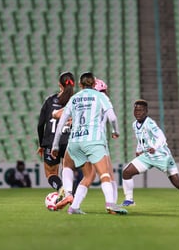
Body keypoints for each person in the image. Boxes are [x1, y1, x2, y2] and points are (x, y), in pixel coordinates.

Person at [51, 72, 127, 215]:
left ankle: (72, 202)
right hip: (93, 141)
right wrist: (116, 131)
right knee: (104, 174)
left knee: (70, 167)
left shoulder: (74, 98)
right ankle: (110, 204)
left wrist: (55, 146)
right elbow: (113, 117)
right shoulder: (100, 96)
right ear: (93, 84)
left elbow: (61, 122)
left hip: (75, 141)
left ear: (80, 84)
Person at [121, 99, 179, 207]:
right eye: (136, 110)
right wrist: (138, 149)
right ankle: (129, 200)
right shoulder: (134, 124)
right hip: (148, 156)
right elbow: (141, 139)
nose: (138, 113)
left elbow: (161, 137)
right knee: (126, 172)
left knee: (176, 182)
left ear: (146, 111)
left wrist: (154, 147)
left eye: (141, 111)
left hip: (162, 156)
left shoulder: (150, 123)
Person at [37, 72, 75, 205]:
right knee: (68, 172)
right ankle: (71, 197)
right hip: (69, 142)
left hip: (51, 141)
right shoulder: (76, 100)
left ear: (59, 84)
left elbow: (41, 124)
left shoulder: (50, 100)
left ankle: (61, 189)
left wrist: (42, 144)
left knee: (51, 173)